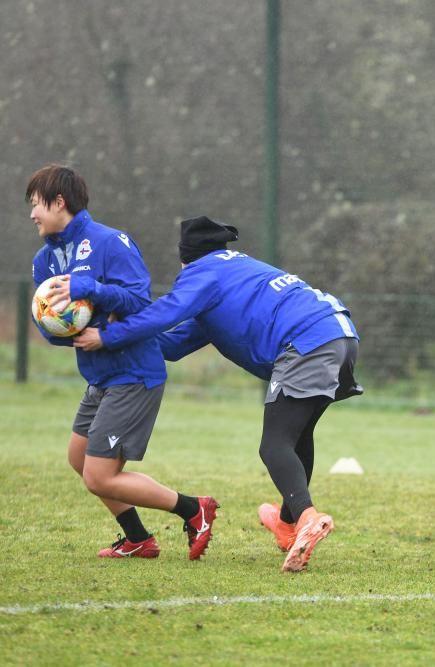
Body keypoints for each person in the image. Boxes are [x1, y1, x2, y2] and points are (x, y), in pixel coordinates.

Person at [74, 216, 362, 573]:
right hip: (340, 334)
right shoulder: (234, 274)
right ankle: (290, 525)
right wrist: (121, 332)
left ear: (185, 258)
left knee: (273, 445)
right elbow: (172, 343)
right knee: (296, 435)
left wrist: (107, 336)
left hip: (306, 341)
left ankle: (306, 517)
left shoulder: (203, 272)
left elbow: (166, 313)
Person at [26, 164, 217, 560]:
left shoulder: (111, 243)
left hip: (134, 373)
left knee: (101, 474)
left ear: (59, 202)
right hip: (99, 375)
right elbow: (52, 326)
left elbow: (139, 302)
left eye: (36, 204)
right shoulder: (44, 262)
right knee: (79, 459)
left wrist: (89, 290)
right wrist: (56, 330)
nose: (32, 214)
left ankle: (192, 508)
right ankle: (138, 539)